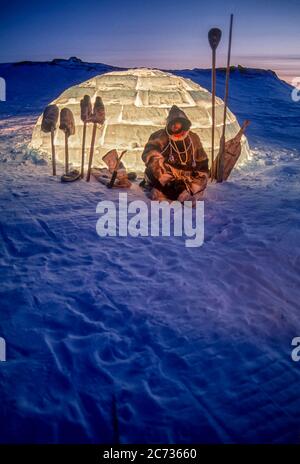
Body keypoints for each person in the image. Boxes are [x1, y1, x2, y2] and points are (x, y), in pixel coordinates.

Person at [142, 105, 209, 203]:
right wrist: (160, 170)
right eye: (172, 124)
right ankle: (174, 191)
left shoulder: (193, 138)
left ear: (183, 124)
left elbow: (202, 163)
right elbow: (150, 153)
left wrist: (195, 183)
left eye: (177, 124)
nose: (175, 127)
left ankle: (185, 192)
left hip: (188, 177)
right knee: (154, 174)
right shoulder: (160, 136)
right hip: (166, 175)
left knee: (199, 181)